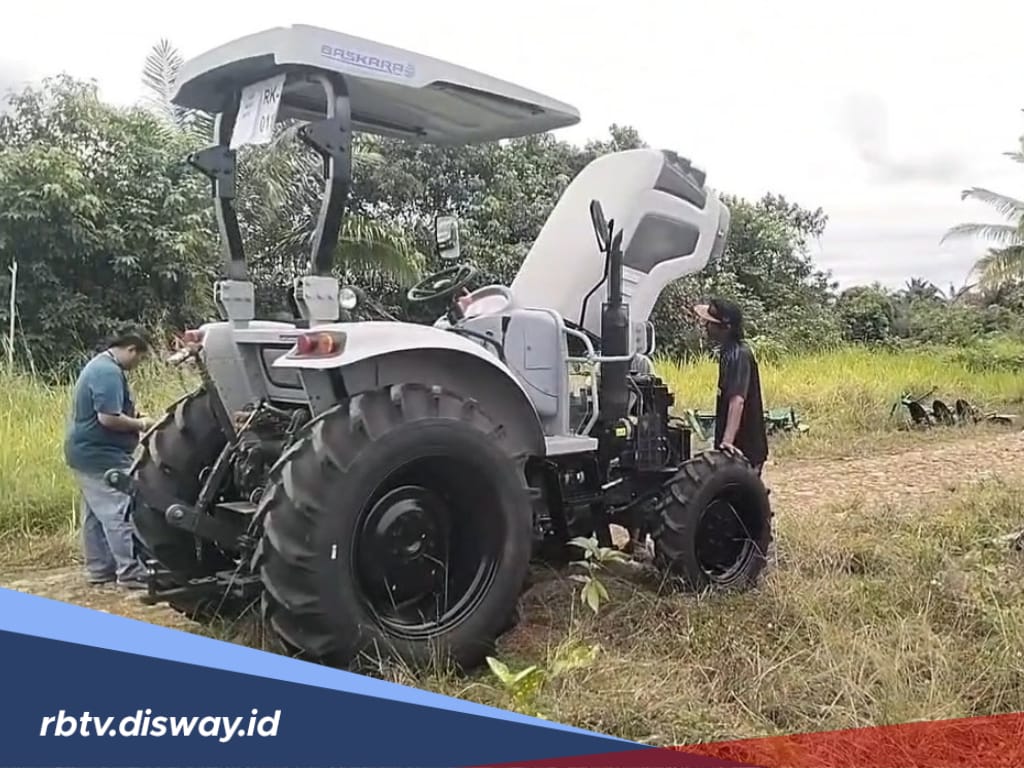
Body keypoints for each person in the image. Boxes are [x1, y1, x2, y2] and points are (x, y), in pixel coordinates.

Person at [63, 327, 156, 589]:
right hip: (100, 456)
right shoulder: (108, 372)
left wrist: (133, 414)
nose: (138, 365)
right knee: (121, 510)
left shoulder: (99, 366)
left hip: (85, 453)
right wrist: (141, 424)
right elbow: (108, 419)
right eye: (140, 358)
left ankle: (100, 568)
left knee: (95, 514)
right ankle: (131, 571)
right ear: (131, 349)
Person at [692, 298, 769, 476]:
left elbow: (737, 400)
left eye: (711, 323)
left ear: (725, 328)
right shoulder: (727, 352)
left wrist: (727, 441)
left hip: (745, 447)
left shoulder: (739, 356)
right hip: (736, 446)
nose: (706, 326)